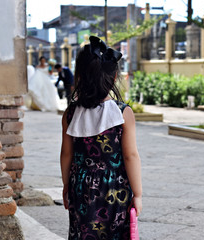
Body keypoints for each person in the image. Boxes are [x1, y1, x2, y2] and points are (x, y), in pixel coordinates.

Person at [60, 36, 142, 240]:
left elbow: (66, 154)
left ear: (79, 76)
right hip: (114, 187)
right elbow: (131, 155)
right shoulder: (123, 113)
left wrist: (66, 186)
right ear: (114, 78)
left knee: (82, 233)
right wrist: (138, 194)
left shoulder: (70, 114)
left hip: (80, 186)